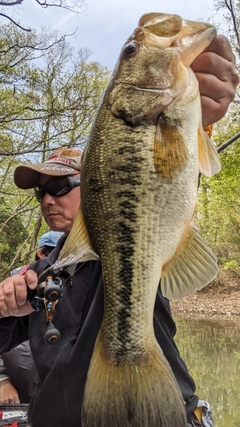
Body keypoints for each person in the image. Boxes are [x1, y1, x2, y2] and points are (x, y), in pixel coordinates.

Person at [0, 35, 238, 427]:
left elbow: (162, 185)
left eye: (59, 187)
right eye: (41, 191)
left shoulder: (126, 242)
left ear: (95, 182)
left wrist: (199, 120)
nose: (47, 199)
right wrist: (8, 307)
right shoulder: (42, 270)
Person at [0, 231, 63, 404]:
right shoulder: (18, 281)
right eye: (54, 251)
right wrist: (2, 379)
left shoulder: (80, 282)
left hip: (55, 395)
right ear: (41, 253)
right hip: (20, 392)